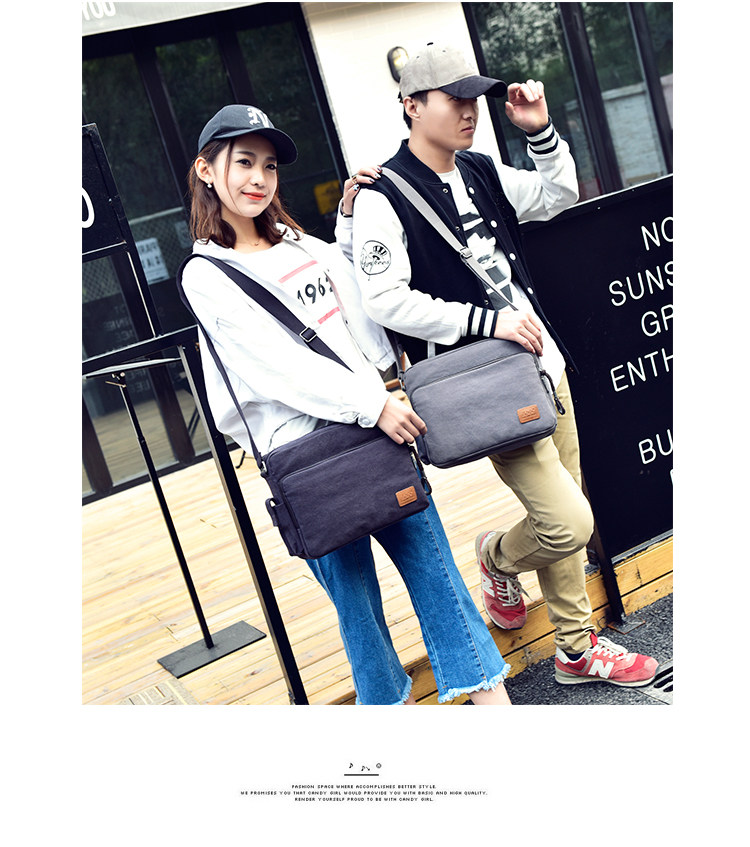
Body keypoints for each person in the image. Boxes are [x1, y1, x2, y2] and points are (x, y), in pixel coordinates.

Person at [180, 103, 512, 705]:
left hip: (373, 432)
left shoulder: (298, 243)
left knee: (438, 578)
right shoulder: (205, 274)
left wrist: (352, 223)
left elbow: (361, 306)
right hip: (307, 452)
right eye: (243, 163)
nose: (259, 178)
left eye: (269, 166)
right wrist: (372, 404)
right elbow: (276, 367)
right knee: (358, 611)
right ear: (206, 170)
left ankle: (493, 706)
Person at [352, 43, 658, 688]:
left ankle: (575, 650)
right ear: (411, 106)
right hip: (484, 381)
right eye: (454, 99)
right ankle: (495, 556)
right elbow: (384, 298)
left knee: (566, 503)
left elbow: (555, 195)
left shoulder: (480, 168)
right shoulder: (383, 194)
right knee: (569, 520)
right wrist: (486, 322)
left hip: (543, 363)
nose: (470, 111)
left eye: (474, 98)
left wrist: (540, 132)